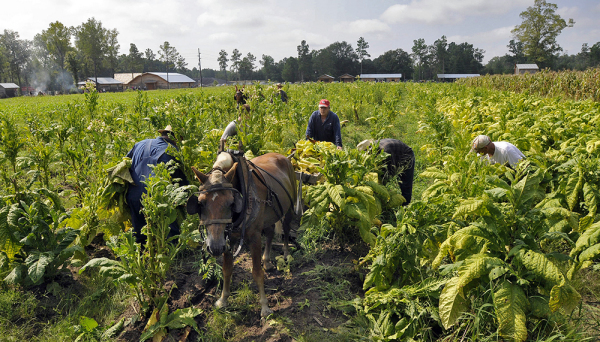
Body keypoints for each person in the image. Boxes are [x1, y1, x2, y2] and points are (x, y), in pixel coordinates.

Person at [126, 125, 189, 244]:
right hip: (157, 194)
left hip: (133, 193)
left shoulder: (140, 144)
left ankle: (142, 259)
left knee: (140, 236)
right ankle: (172, 257)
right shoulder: (173, 150)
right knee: (170, 233)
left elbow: (126, 162)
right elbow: (179, 182)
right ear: (176, 138)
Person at [358, 139, 415, 205]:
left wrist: (380, 185)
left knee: (405, 183)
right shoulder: (375, 148)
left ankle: (406, 207)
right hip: (395, 152)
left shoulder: (385, 152)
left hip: (406, 155)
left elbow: (390, 170)